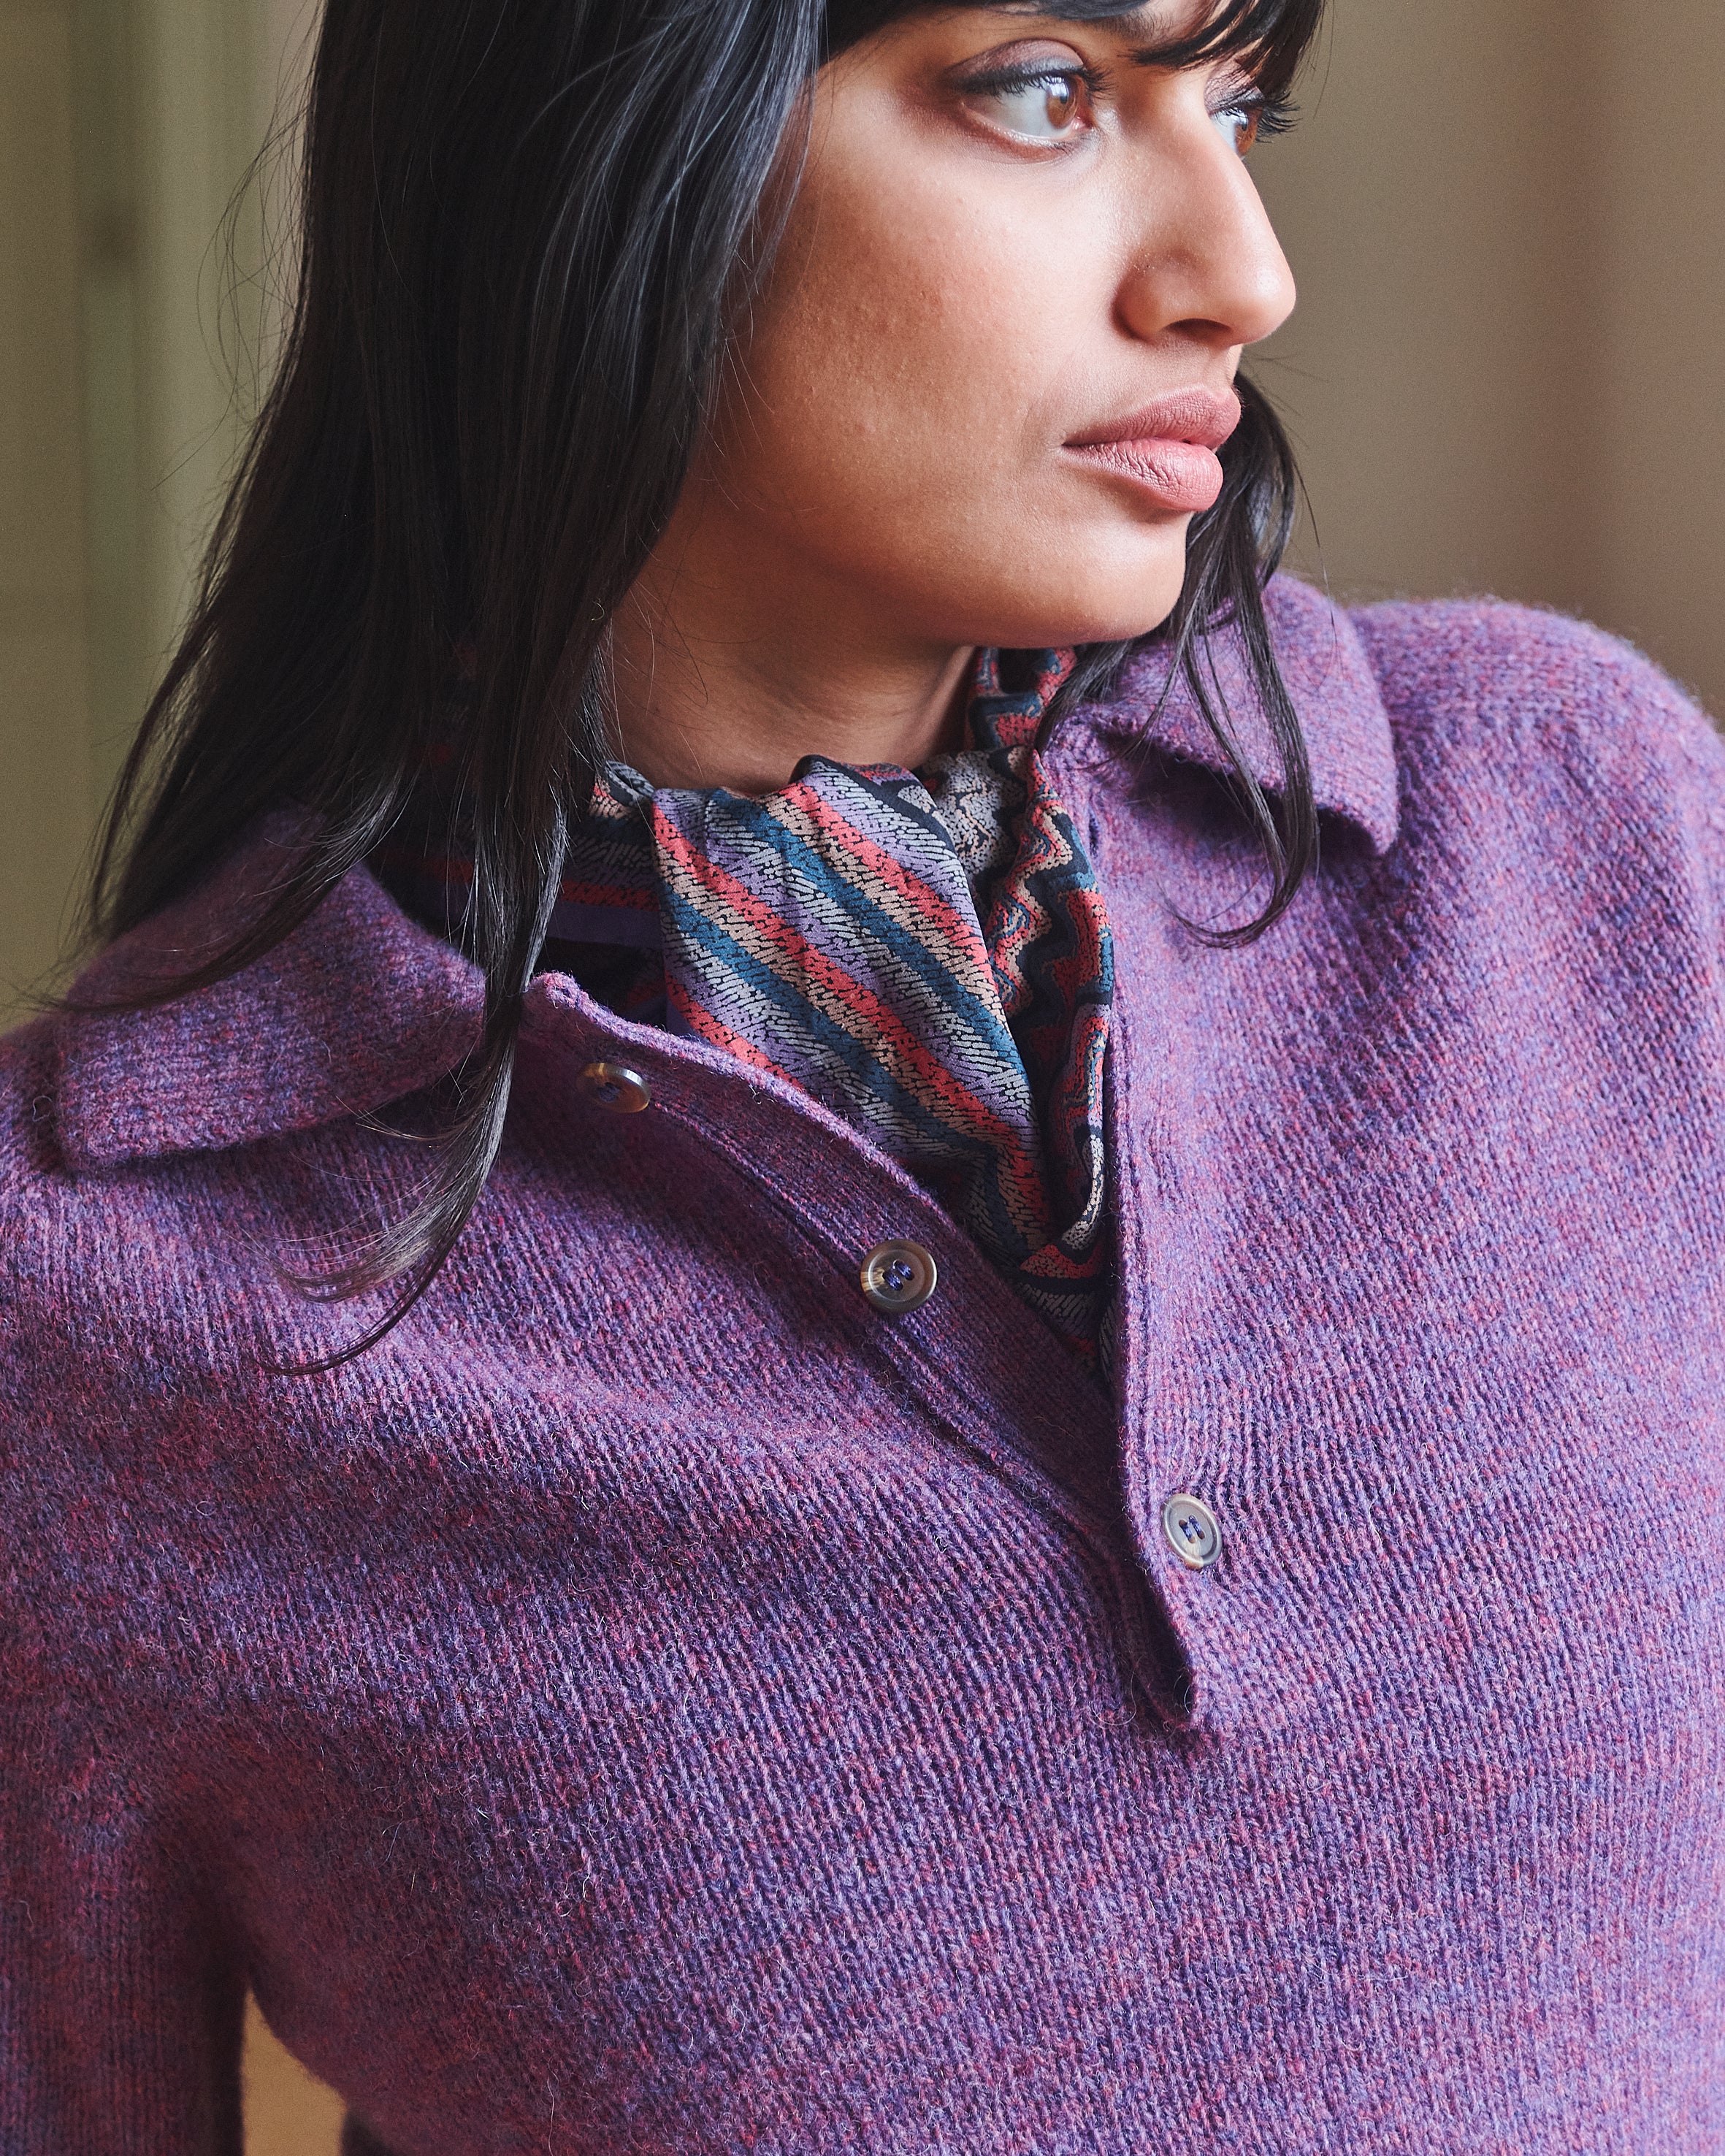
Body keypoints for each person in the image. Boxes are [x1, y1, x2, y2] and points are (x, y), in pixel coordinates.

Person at [4, 0, 1723, 2146]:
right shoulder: (90, 1297)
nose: (1241, 267)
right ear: (598, 126)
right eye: (1046, 90)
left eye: (1237, 98)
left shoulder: (1587, 840)